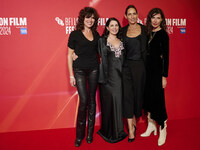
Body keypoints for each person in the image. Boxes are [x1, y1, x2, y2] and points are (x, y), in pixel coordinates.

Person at [67, 7, 100, 147]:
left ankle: (90, 134)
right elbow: (69, 55)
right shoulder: (74, 34)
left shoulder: (96, 34)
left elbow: (100, 53)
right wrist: (71, 75)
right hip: (79, 70)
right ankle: (79, 135)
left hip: (94, 69)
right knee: (84, 100)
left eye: (92, 18)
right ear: (82, 18)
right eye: (87, 17)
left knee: (92, 101)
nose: (90, 20)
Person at [140, 8, 169, 146]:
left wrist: (164, 76)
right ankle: (151, 126)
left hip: (157, 74)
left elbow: (166, 58)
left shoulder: (163, 35)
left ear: (162, 19)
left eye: (158, 18)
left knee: (158, 100)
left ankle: (163, 128)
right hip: (147, 73)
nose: (155, 20)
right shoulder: (147, 33)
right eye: (153, 17)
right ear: (149, 19)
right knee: (148, 99)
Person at [97, 18, 127, 143]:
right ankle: (109, 132)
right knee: (109, 104)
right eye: (112, 25)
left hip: (120, 78)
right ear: (107, 27)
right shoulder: (101, 41)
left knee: (118, 103)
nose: (114, 27)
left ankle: (119, 131)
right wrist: (76, 55)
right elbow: (92, 53)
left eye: (116, 25)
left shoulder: (122, 42)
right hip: (107, 78)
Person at [121, 5, 147, 142]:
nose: (132, 16)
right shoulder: (122, 31)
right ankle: (131, 130)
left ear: (137, 15)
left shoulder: (144, 29)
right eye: (129, 14)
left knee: (138, 96)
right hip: (126, 68)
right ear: (125, 16)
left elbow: (154, 43)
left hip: (140, 68)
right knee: (127, 97)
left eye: (134, 13)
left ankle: (135, 119)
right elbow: (107, 41)